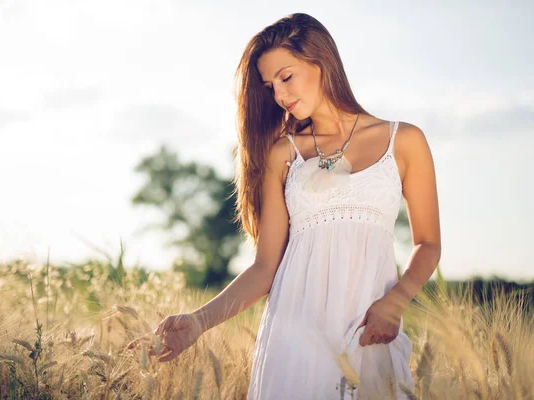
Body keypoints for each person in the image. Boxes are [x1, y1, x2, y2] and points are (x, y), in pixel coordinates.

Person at [127, 12, 441, 399]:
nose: (278, 95)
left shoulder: (404, 141)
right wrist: (197, 322)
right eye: (270, 85)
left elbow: (428, 243)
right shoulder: (284, 155)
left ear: (321, 61)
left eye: (286, 77)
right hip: (294, 340)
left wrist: (396, 300)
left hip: (368, 333)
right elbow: (264, 268)